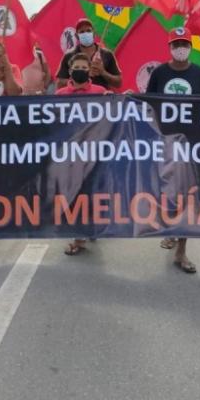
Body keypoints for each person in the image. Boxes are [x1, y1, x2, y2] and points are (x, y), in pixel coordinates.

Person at [146, 27, 200, 274]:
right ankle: (169, 229)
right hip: (165, 141)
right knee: (167, 191)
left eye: (184, 44)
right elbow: (149, 104)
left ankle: (181, 251)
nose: (181, 48)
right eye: (176, 44)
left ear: (191, 47)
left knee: (188, 194)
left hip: (191, 142)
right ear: (169, 48)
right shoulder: (160, 74)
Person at [58, 53, 110, 256]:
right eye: (76, 67)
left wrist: (116, 99)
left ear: (89, 70)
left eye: (83, 67)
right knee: (74, 193)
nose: (80, 70)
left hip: (94, 150)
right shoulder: (61, 94)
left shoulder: (100, 91)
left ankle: (92, 226)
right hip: (70, 152)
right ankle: (78, 237)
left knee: (93, 192)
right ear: (70, 71)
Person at [56, 18, 122, 90]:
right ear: (77, 36)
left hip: (101, 98)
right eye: (82, 32)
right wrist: (82, 75)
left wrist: (103, 72)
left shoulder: (107, 54)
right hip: (77, 97)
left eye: (88, 31)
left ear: (94, 34)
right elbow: (59, 83)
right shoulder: (69, 56)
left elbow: (118, 83)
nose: (85, 34)